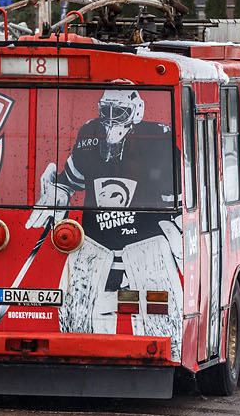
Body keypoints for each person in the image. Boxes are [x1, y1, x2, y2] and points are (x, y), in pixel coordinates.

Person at [29, 87, 182, 339]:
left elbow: (179, 196)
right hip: (94, 243)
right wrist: (59, 192)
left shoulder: (158, 137)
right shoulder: (90, 132)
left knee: (162, 328)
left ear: (135, 112)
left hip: (147, 244)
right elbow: (71, 179)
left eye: (119, 112)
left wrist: (181, 229)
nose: (110, 119)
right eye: (105, 111)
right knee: (76, 319)